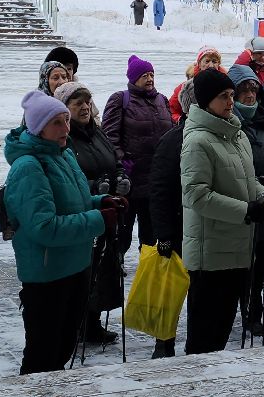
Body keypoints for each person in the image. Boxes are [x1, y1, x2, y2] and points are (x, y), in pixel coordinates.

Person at [4, 90, 114, 373]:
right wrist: (98, 219)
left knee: (63, 347)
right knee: (43, 355)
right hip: (47, 276)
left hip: (74, 268)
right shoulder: (29, 167)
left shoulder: (61, 155)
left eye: (66, 120)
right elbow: (45, 227)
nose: (67, 128)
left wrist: (101, 202)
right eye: (57, 122)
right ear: (39, 127)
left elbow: (73, 204)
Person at [182, 66, 264, 353]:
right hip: (211, 252)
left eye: (232, 95)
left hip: (236, 247)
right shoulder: (198, 141)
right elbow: (196, 195)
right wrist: (245, 210)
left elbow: (247, 179)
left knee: (221, 329)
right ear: (206, 100)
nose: (231, 101)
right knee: (204, 335)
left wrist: (263, 196)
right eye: (223, 96)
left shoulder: (236, 135)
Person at [62, 82, 124, 346]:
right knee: (84, 268)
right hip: (82, 211)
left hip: (105, 207)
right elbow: (68, 177)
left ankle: (93, 321)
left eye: (87, 102)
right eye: (78, 104)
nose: (85, 107)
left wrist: (120, 175)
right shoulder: (65, 139)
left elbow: (112, 157)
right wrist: (93, 187)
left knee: (104, 266)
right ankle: (76, 322)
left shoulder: (96, 132)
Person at [102, 54, 172, 256]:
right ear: (133, 79)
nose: (149, 79)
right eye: (144, 75)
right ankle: (114, 270)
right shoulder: (120, 99)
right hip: (130, 180)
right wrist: (122, 160)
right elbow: (109, 135)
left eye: (151, 74)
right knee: (121, 234)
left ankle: (147, 275)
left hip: (155, 180)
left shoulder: (162, 100)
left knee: (151, 237)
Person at [231, 64, 264, 337]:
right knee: (241, 263)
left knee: (260, 261)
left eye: (253, 89)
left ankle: (254, 313)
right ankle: (235, 311)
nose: (249, 95)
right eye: (243, 90)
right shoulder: (230, 122)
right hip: (240, 203)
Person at [147, 86, 189, 358]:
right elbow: (160, 189)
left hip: (204, 227)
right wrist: (163, 233)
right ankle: (164, 341)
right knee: (170, 289)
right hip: (177, 226)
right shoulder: (173, 139)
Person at [168, 45, 224, 125]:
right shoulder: (185, 87)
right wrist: (181, 120)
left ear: (218, 64)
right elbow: (171, 110)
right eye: (207, 61)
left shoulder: (226, 85)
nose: (211, 65)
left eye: (214, 62)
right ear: (199, 64)